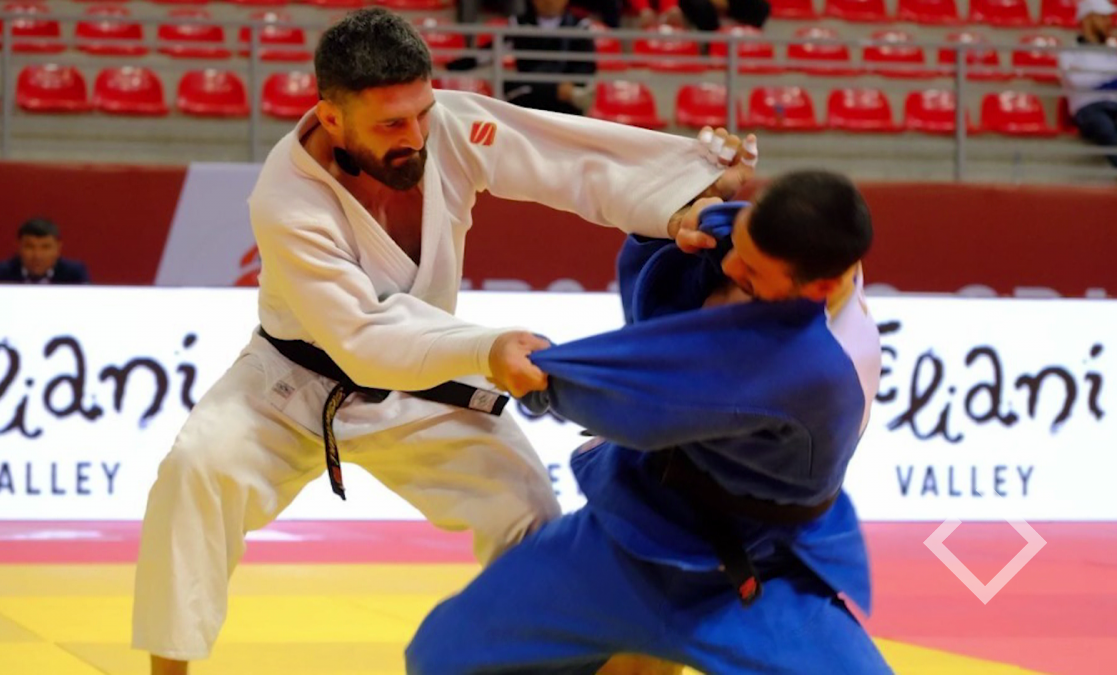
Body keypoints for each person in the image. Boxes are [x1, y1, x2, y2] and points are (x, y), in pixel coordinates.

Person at [130, 8, 758, 674]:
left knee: (530, 512)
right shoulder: (286, 199)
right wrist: (486, 349)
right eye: (391, 125)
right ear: (332, 118)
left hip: (423, 379)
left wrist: (677, 195)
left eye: (422, 113)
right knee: (194, 472)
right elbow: (362, 336)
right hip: (292, 385)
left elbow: (566, 159)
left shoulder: (448, 126)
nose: (416, 136)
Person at [406, 169, 892, 674]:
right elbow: (717, 226)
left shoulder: (811, 367)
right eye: (739, 248)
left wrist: (542, 375)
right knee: (442, 655)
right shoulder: (805, 249)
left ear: (821, 287)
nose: (731, 264)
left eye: (750, 269)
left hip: (754, 577)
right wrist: (687, 202)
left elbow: (642, 398)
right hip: (630, 537)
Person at [504, 0, 598, 116]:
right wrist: (553, 89)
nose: (549, 1)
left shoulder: (580, 26)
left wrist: (570, 86)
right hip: (527, 101)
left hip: (566, 106)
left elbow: (586, 68)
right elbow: (492, 57)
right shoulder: (517, 24)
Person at [1060, 0, 1117, 168]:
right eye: (1102, 18)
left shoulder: (1113, 49)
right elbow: (1079, 81)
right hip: (1088, 109)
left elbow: (1088, 79)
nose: (1109, 23)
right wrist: (1110, 77)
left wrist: (1096, 77)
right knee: (1105, 128)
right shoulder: (1069, 53)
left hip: (1114, 105)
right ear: (1088, 20)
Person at [0, 217, 90, 284]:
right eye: (30, 247)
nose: (37, 255)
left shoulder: (74, 274)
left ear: (58, 248)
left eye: (45, 247)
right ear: (19, 247)